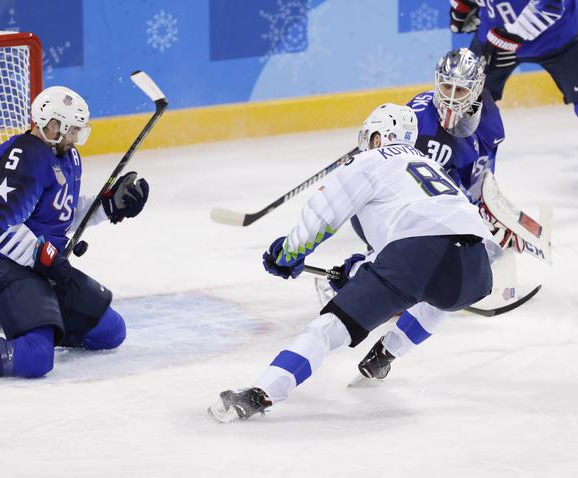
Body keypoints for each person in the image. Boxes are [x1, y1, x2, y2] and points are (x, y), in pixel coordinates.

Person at [208, 103, 501, 423]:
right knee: (438, 301)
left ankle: (259, 394)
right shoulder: (431, 168)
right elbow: (424, 236)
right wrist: (357, 269)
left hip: (418, 255)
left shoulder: (372, 160)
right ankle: (384, 356)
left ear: (378, 137)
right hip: (476, 266)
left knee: (325, 330)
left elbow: (324, 214)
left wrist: (287, 254)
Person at [0, 86, 149, 378]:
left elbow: (60, 216)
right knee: (36, 357)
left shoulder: (69, 158)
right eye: (72, 131)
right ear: (52, 126)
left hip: (47, 266)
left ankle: (19, 317)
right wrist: (42, 255)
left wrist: (108, 206)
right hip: (11, 266)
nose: (75, 139)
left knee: (111, 332)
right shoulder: (23, 156)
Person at [353, 47, 511, 380]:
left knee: (457, 273)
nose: (451, 98)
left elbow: (480, 183)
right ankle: (359, 274)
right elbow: (384, 166)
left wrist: (490, 219)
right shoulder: (418, 111)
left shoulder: (489, 123)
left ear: (477, 88)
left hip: (442, 209)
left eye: (461, 90)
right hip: (398, 207)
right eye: (446, 87)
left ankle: (386, 351)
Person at [450, 0, 578, 117]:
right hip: (492, 34)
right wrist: (464, 3)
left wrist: (513, 35)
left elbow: (551, 5)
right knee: (463, 100)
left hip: (560, 37)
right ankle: (458, 140)